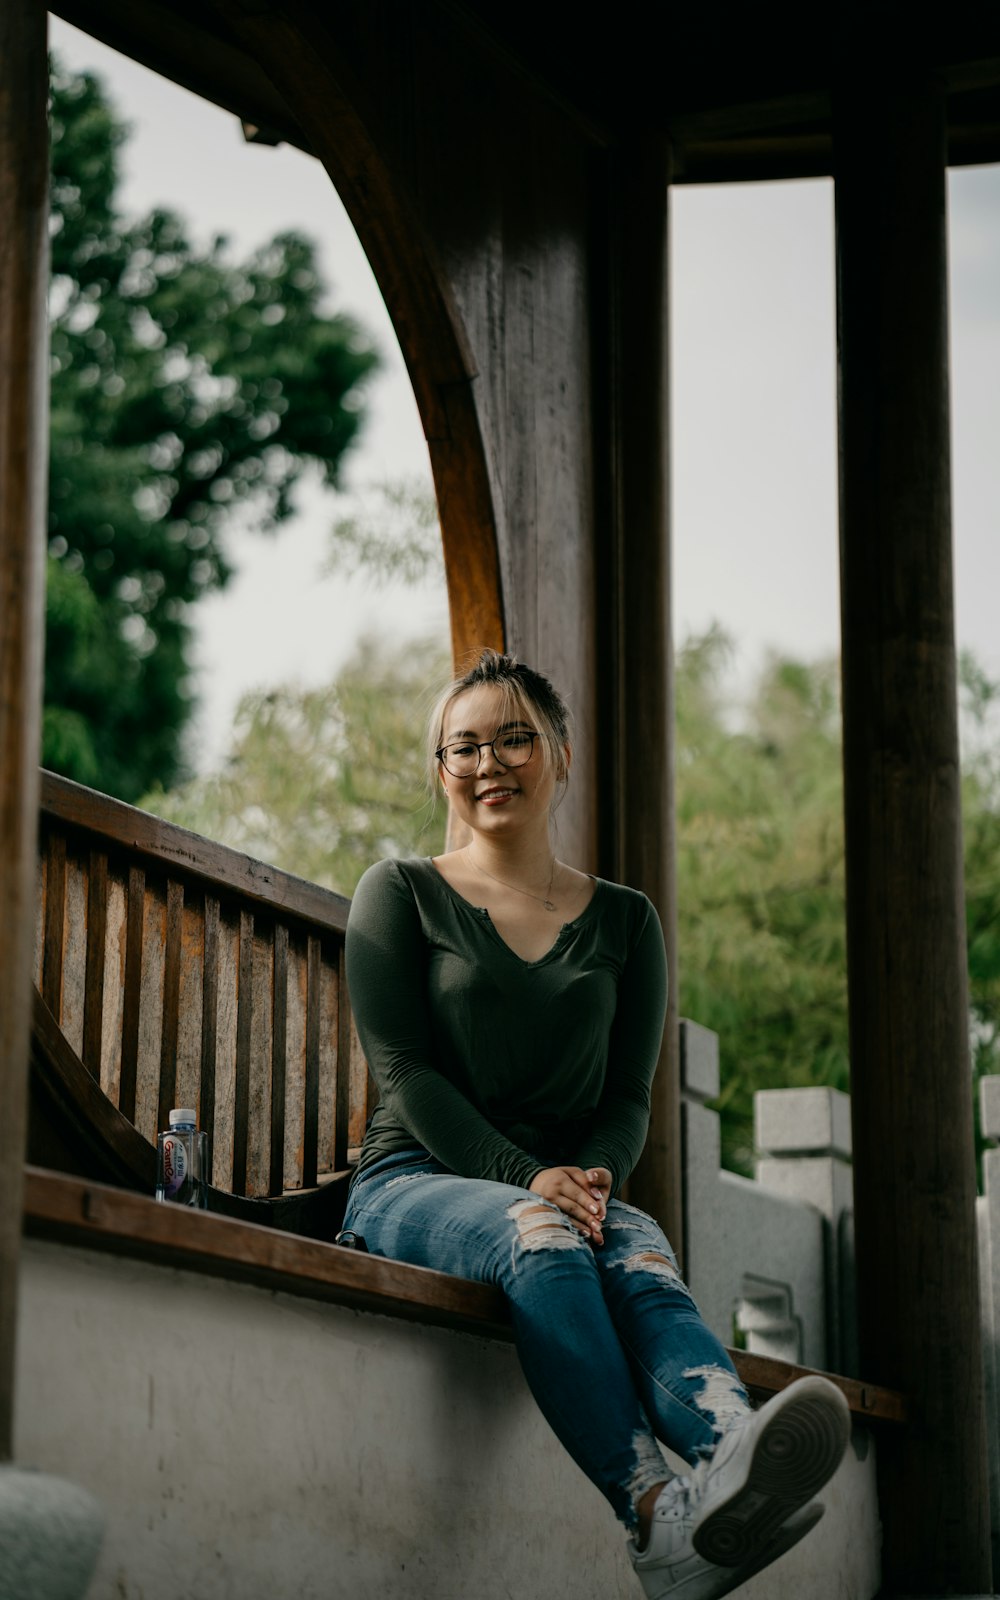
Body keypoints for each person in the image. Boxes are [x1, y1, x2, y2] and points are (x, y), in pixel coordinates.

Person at [341, 649, 849, 1600]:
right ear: (440, 772)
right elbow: (404, 1072)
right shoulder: (400, 892)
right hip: (414, 1182)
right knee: (543, 1233)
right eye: (465, 747)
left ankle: (735, 1452)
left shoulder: (625, 920)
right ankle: (656, 1517)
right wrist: (528, 1178)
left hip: (565, 1191)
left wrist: (598, 1178)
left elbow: (626, 1097)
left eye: (516, 738)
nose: (491, 762)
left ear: (561, 757)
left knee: (640, 1247)